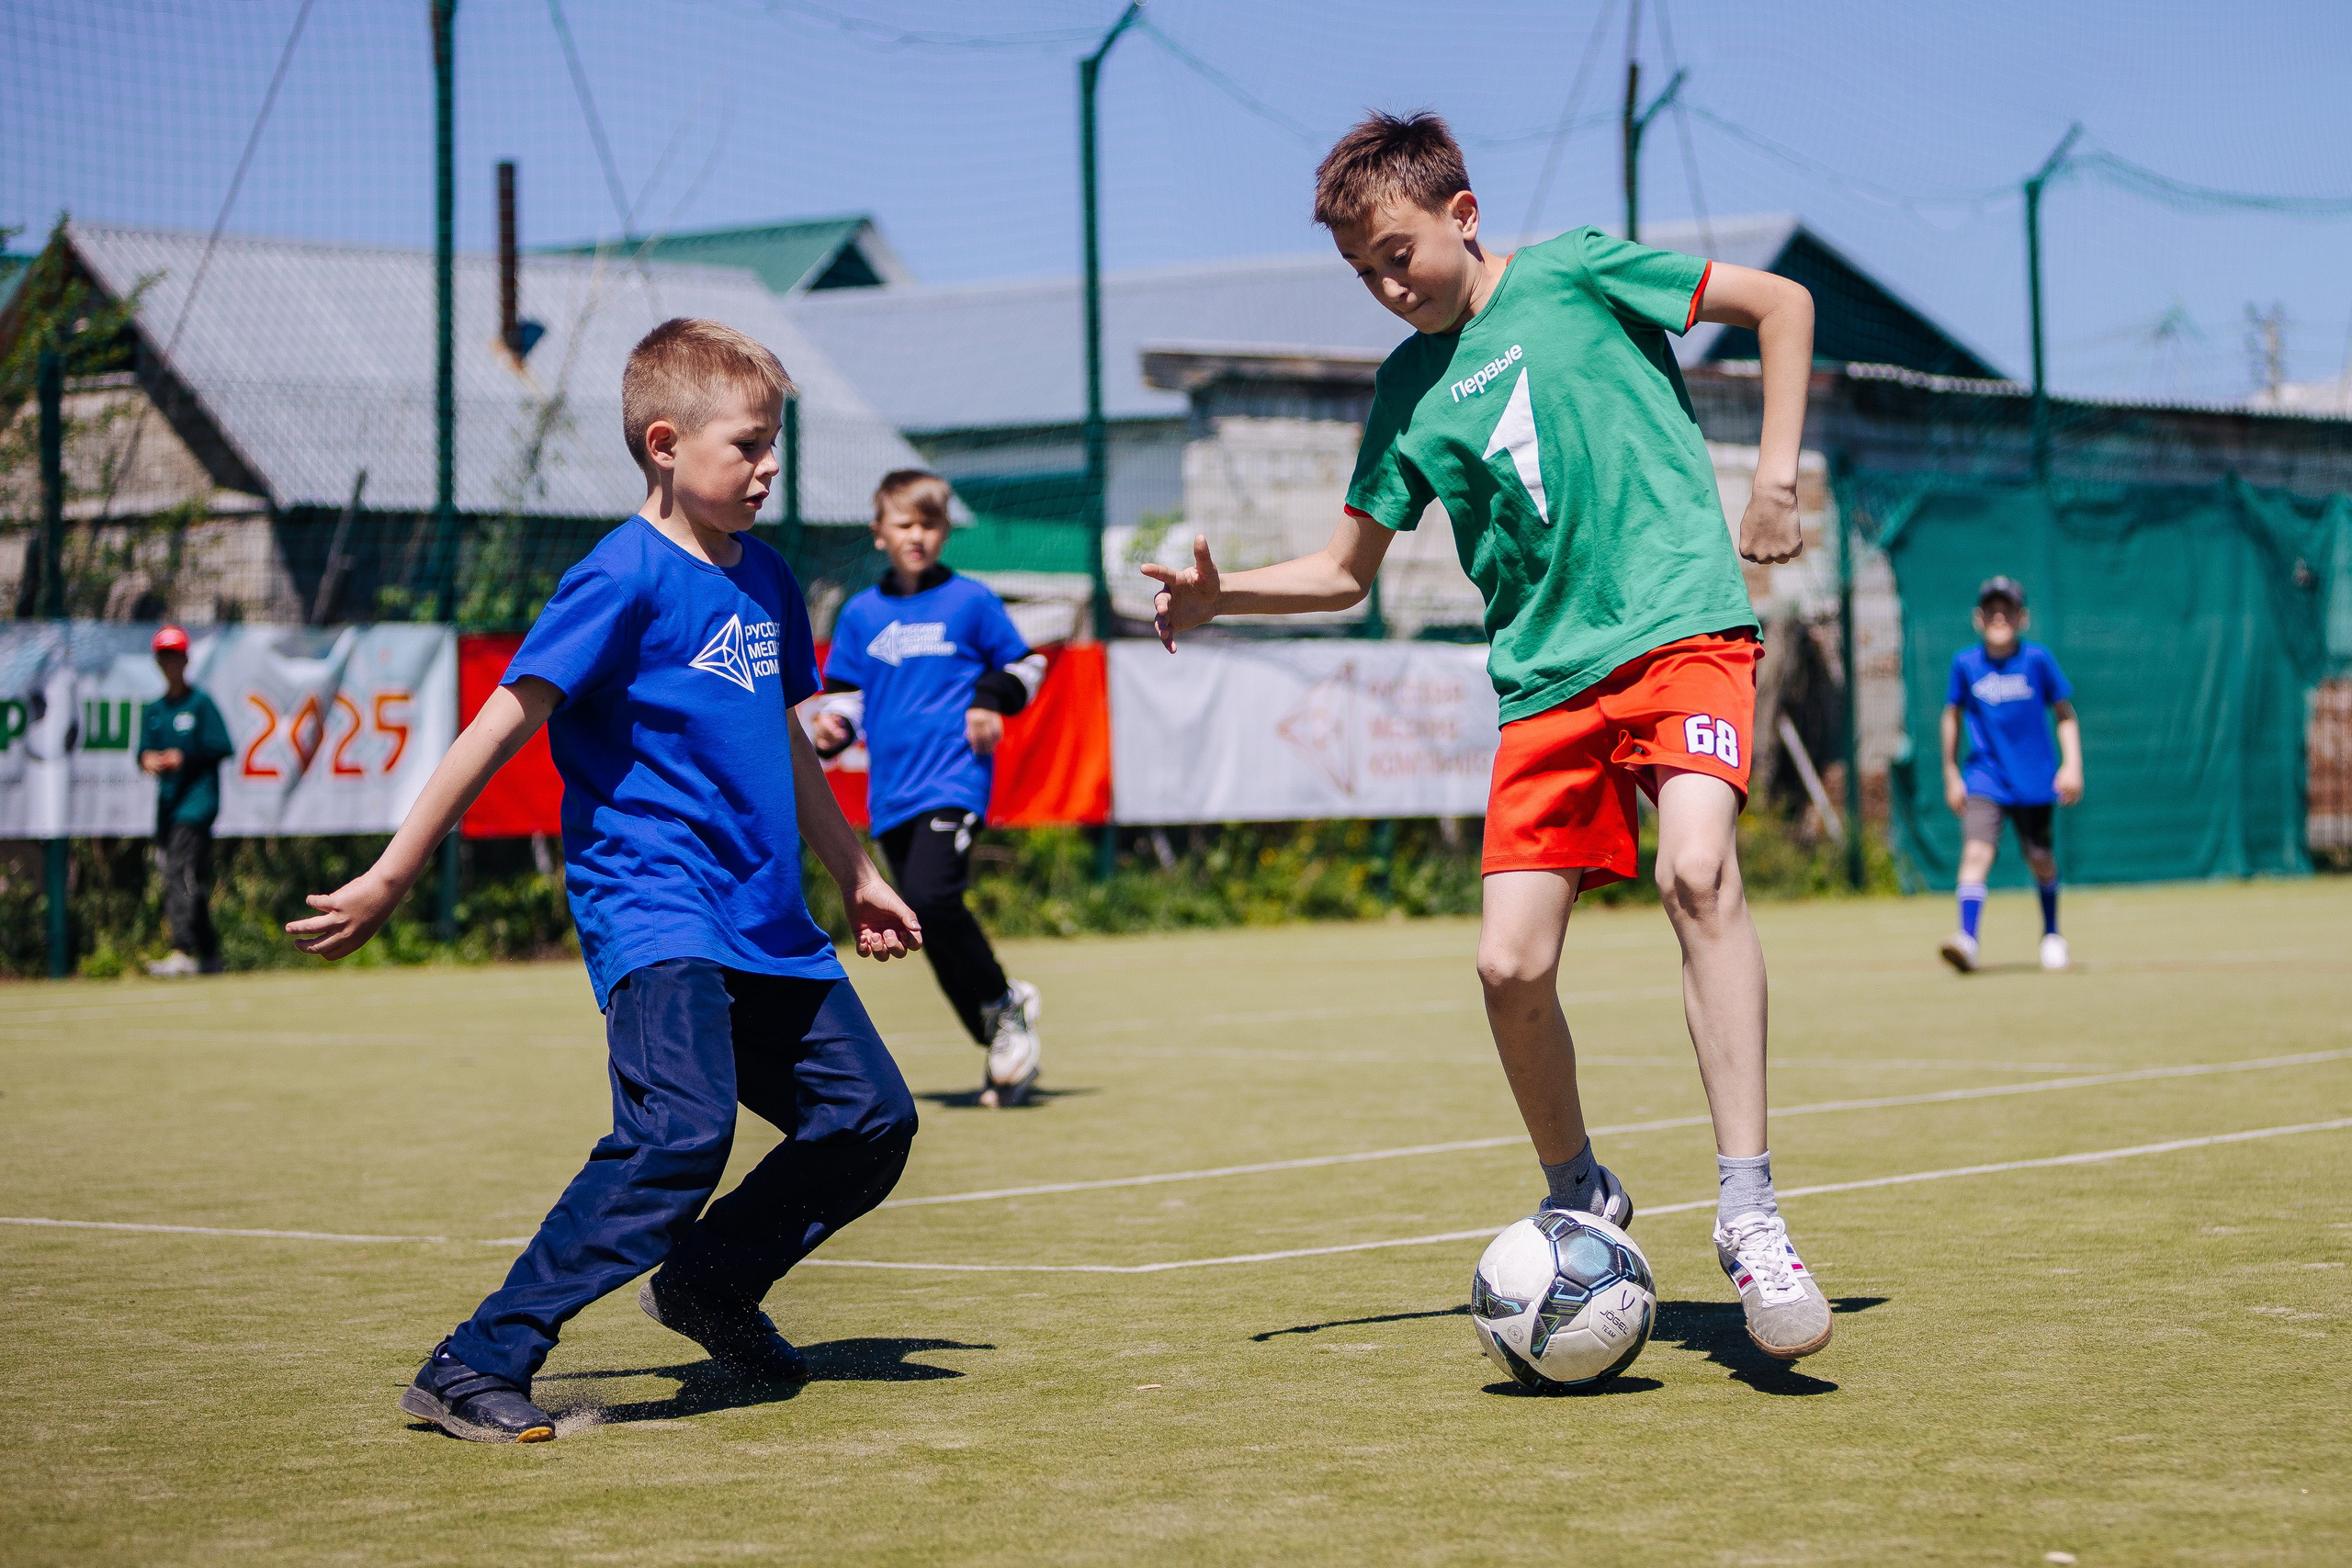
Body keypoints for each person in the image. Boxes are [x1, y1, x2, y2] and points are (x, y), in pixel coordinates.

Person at [1146, 112, 1833, 1360]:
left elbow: (1781, 303)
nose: (1388, 284)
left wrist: (1773, 479)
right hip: (1545, 687)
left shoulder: (1577, 268)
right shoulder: (1405, 392)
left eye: (1399, 253)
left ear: (1463, 215)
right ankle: (1580, 1188)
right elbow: (1348, 567)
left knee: (1698, 869)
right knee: (1509, 968)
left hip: (1679, 624)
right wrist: (1220, 591)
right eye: (1364, 272)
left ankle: (1751, 1211)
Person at [287, 318, 925, 1444]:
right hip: (656, 903)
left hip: (764, 916)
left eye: (777, 442)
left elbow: (784, 746)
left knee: (868, 1118)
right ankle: (475, 1361)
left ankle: (708, 1287)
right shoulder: (618, 575)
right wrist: (392, 874)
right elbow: (498, 726)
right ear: (666, 445)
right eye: (749, 445)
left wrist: (858, 875)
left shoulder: (768, 577)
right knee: (679, 1135)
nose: (770, 466)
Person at [811, 470, 1049, 1108]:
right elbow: (847, 698)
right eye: (904, 523)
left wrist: (989, 699)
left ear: (944, 530)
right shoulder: (861, 612)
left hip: (954, 778)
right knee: (920, 918)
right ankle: (1000, 1021)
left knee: (932, 896)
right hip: (892, 793)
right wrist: (833, 730)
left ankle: (1000, 1005)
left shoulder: (971, 601)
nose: (917, 535)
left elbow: (1028, 663)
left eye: (929, 523)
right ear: (879, 532)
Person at [1938, 576, 2083, 975]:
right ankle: (1967, 941)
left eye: (2008, 609)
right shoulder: (1965, 664)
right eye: (1991, 609)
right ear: (1977, 618)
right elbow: (1951, 715)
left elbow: (2065, 714)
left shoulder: (2037, 660)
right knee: (1976, 852)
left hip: (2035, 780)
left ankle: (2052, 935)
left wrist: (2071, 764)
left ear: (2023, 617)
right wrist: (1951, 773)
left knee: (2040, 859)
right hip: (1985, 776)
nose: (1999, 616)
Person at [138, 625, 232, 976]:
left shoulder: (201, 704)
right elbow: (143, 751)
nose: (170, 663)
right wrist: (147, 759)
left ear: (186, 659)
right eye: (164, 656)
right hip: (168, 806)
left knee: (178, 869)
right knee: (187, 874)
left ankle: (182, 951)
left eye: (175, 655)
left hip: (197, 804)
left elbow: (222, 746)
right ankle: (209, 954)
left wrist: (185, 756)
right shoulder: (155, 710)